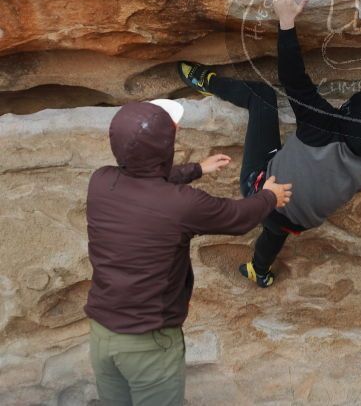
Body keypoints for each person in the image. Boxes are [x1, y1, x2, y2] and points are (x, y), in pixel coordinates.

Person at [177, 0, 361, 288]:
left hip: (261, 192)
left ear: (343, 118)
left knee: (262, 97)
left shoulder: (320, 127)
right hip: (297, 222)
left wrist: (286, 20)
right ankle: (259, 270)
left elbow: (293, 77)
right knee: (275, 230)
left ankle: (207, 82)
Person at [85, 98, 292, 406]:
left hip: (101, 334)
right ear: (164, 147)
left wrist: (196, 169)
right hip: (148, 342)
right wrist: (268, 197)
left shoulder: (100, 181)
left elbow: (144, 177)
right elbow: (237, 217)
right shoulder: (182, 204)